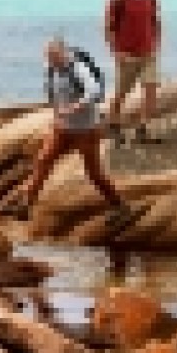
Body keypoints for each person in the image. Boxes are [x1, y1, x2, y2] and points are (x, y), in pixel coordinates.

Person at [18, 38, 134, 228]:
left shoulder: (78, 68)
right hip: (62, 128)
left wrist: (74, 107)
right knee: (44, 160)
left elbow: (93, 90)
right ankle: (26, 205)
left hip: (86, 129)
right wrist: (56, 116)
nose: (51, 61)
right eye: (48, 57)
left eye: (54, 57)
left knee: (94, 173)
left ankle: (120, 206)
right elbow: (54, 95)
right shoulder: (52, 70)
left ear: (63, 53)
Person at [105, 0, 163, 145]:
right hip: (127, 55)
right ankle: (113, 124)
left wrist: (156, 45)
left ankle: (143, 128)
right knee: (122, 92)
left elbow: (156, 22)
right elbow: (109, 28)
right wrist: (117, 52)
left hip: (148, 54)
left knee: (151, 90)